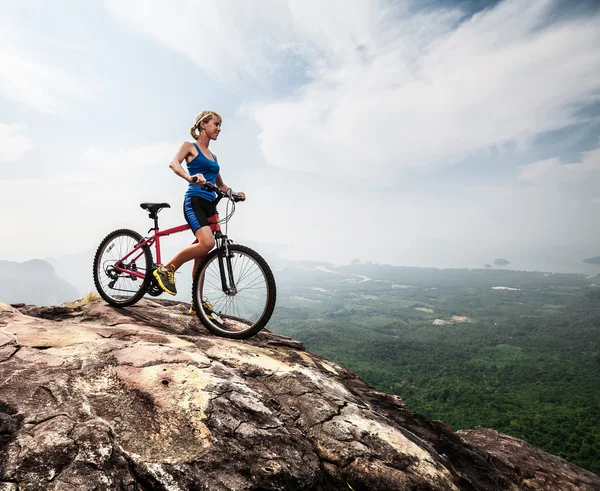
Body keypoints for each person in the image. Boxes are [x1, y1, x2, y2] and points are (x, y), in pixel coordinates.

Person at [153, 110, 245, 298]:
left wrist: (234, 194)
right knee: (207, 244)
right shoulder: (190, 146)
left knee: (202, 254)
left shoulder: (213, 156)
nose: (219, 129)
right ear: (203, 124)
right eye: (216, 124)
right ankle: (166, 270)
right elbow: (174, 163)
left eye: (220, 125)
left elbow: (220, 184)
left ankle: (198, 302)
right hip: (194, 201)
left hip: (211, 205)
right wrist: (190, 177)